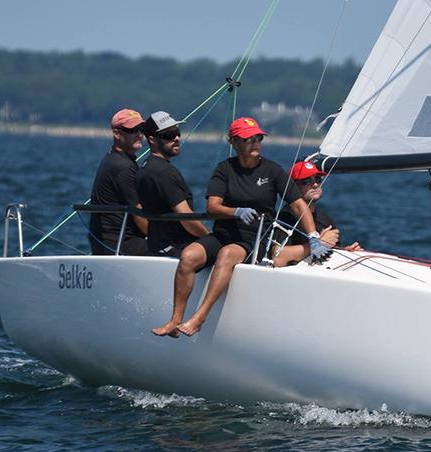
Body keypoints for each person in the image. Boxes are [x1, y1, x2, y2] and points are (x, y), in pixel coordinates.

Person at [152, 116, 330, 337]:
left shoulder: (272, 171)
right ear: (234, 143)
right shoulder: (224, 169)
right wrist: (235, 211)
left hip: (255, 238)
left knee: (226, 255)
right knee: (188, 255)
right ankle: (174, 321)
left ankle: (199, 317)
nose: (255, 142)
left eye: (258, 138)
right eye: (248, 139)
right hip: (223, 233)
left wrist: (313, 236)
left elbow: (297, 205)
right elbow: (212, 207)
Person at [137, 111, 209, 257]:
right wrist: (209, 237)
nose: (176, 138)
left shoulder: (145, 167)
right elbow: (186, 217)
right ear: (152, 140)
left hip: (156, 245)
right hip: (176, 247)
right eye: (168, 135)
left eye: (177, 132)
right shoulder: (164, 172)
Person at [272, 160, 362, 267]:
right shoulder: (285, 217)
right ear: (293, 187)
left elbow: (328, 250)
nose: (315, 185)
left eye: (318, 179)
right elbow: (277, 257)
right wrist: (319, 243)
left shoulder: (325, 218)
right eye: (306, 181)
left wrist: (345, 251)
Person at [88, 108, 149, 256]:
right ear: (117, 133)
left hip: (108, 241)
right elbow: (138, 214)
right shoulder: (123, 167)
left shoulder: (115, 158)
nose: (139, 134)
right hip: (122, 243)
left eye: (141, 129)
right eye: (133, 130)